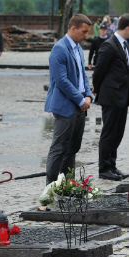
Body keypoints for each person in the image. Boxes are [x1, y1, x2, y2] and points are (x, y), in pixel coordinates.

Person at [44, 14, 93, 185]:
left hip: (80, 106)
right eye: (83, 31)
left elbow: (82, 76)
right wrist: (80, 100)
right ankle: (50, 188)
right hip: (66, 106)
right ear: (73, 28)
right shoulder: (60, 48)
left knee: (72, 149)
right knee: (59, 148)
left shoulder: (78, 48)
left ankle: (67, 186)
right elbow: (61, 80)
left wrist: (88, 94)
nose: (86, 35)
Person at [92, 14, 129, 181]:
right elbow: (98, 72)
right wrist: (97, 91)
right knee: (109, 133)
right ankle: (104, 168)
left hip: (123, 96)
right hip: (111, 96)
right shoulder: (109, 45)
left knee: (118, 133)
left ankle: (112, 166)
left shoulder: (124, 45)